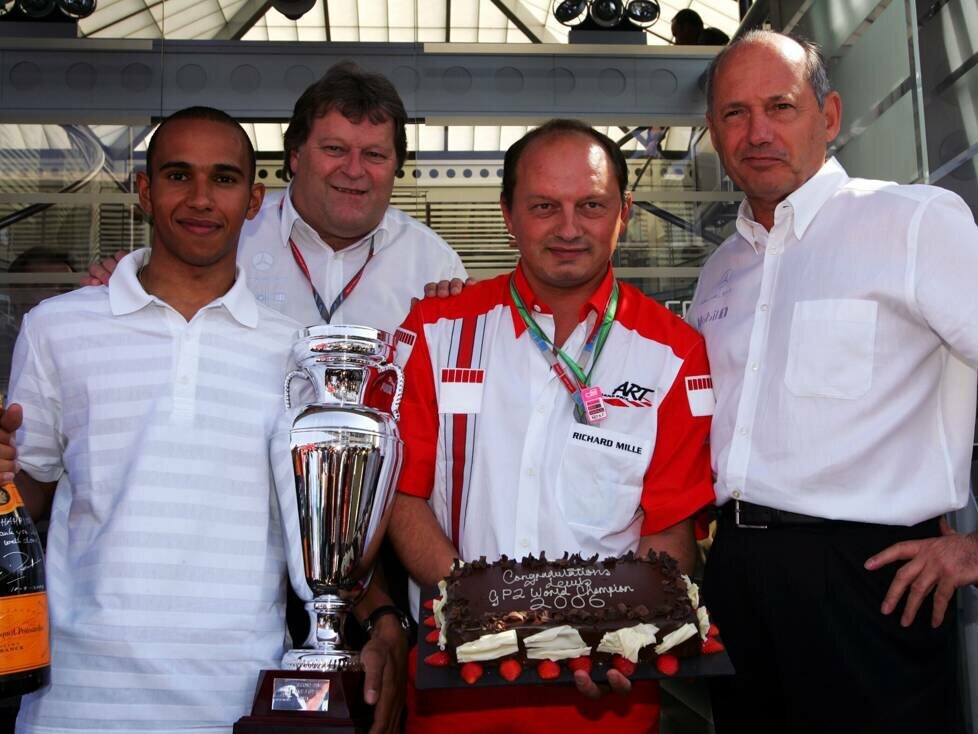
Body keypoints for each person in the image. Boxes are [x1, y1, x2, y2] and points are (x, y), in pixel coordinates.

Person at [0, 107, 402, 734]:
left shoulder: (297, 352)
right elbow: (26, 499)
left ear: (253, 200)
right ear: (144, 190)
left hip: (241, 700)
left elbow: (331, 526)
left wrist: (382, 623)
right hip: (77, 701)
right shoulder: (57, 326)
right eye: (178, 175)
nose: (200, 198)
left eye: (223, 178)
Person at [686, 30, 978, 734]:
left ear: (831, 115)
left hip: (872, 581)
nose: (757, 132)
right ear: (714, 133)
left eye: (780, 106)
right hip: (736, 576)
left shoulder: (913, 222)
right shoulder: (719, 271)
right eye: (734, 113)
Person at [388, 119, 715, 733]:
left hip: (602, 694)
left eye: (590, 205)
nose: (568, 228)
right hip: (455, 686)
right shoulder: (436, 330)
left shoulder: (674, 353)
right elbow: (403, 496)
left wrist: (623, 637)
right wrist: (483, 618)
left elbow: (669, 528)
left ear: (624, 212)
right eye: (544, 206)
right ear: (508, 214)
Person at [84, 61, 469, 331]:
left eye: (374, 154)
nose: (354, 170)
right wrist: (122, 281)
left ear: (396, 165)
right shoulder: (224, 232)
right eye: (334, 149)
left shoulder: (434, 265)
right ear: (295, 155)